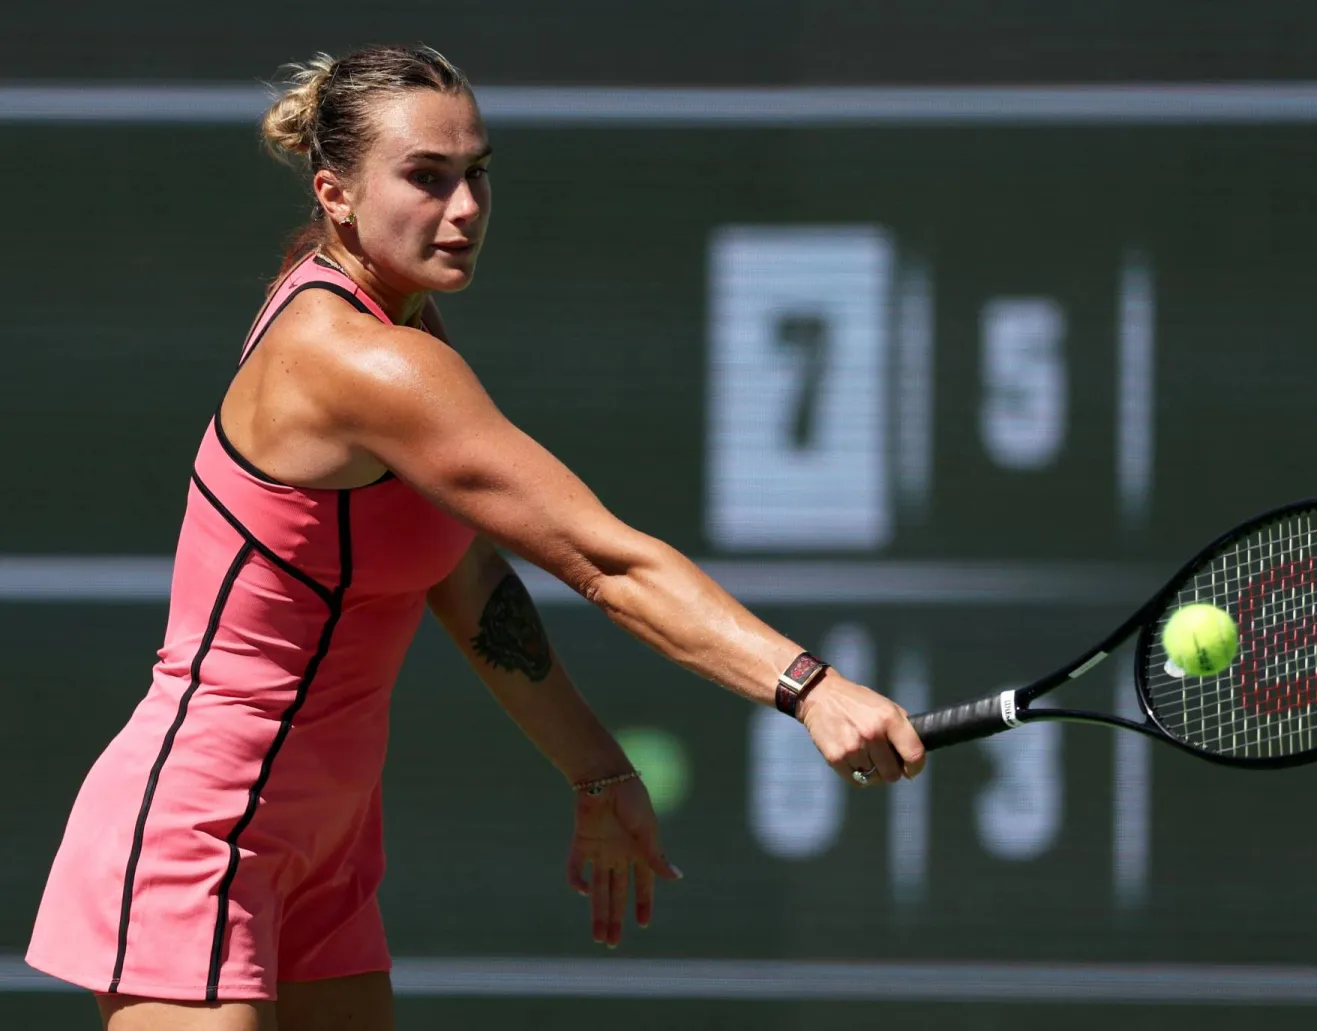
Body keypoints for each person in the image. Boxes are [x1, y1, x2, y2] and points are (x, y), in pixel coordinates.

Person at [24, 43, 927, 1031]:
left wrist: (598, 768)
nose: (463, 208)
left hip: (323, 846)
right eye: (425, 176)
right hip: (206, 834)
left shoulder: (395, 319)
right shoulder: (358, 359)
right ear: (334, 192)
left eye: (476, 173)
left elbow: (464, 576)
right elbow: (608, 560)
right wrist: (809, 685)